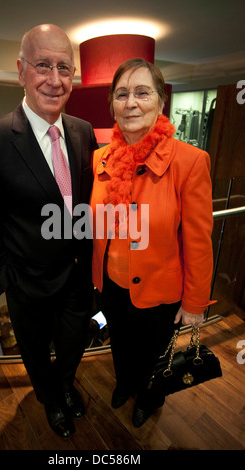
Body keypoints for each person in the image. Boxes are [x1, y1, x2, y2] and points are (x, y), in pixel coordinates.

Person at [0, 24, 98, 439]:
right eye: (43, 65)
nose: (55, 80)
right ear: (21, 71)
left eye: (64, 68)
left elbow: (87, 205)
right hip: (27, 283)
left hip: (78, 278)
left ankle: (64, 385)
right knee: (37, 354)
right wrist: (7, 281)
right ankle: (50, 399)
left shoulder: (83, 131)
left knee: (74, 347)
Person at [90, 58, 215, 428]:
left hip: (161, 292)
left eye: (142, 93)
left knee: (155, 356)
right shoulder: (100, 159)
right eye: (121, 94)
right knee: (122, 346)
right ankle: (125, 383)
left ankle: (150, 396)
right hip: (110, 285)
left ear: (161, 102)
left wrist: (195, 302)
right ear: (112, 104)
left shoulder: (190, 162)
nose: (131, 103)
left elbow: (198, 241)